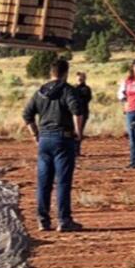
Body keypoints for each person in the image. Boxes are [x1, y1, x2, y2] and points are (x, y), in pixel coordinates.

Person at [22, 56, 86, 233]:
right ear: (65, 73)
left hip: (44, 140)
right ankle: (64, 220)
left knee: (44, 182)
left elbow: (27, 115)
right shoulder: (68, 90)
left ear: (51, 72)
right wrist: (78, 133)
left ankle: (43, 220)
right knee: (63, 182)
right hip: (63, 139)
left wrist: (35, 135)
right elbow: (77, 112)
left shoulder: (40, 91)